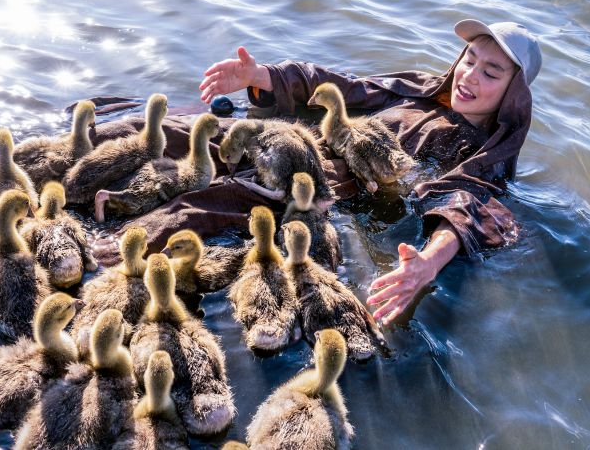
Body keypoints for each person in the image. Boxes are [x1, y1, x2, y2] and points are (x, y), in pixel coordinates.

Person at [198, 20, 542, 324]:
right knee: (183, 137)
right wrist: (262, 76)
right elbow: (345, 87)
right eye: (469, 60)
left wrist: (429, 262)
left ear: (513, 94)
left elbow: (471, 205)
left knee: (201, 207)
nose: (470, 75)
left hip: (323, 188)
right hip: (293, 146)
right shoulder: (416, 90)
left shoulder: (484, 155)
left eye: (490, 73)